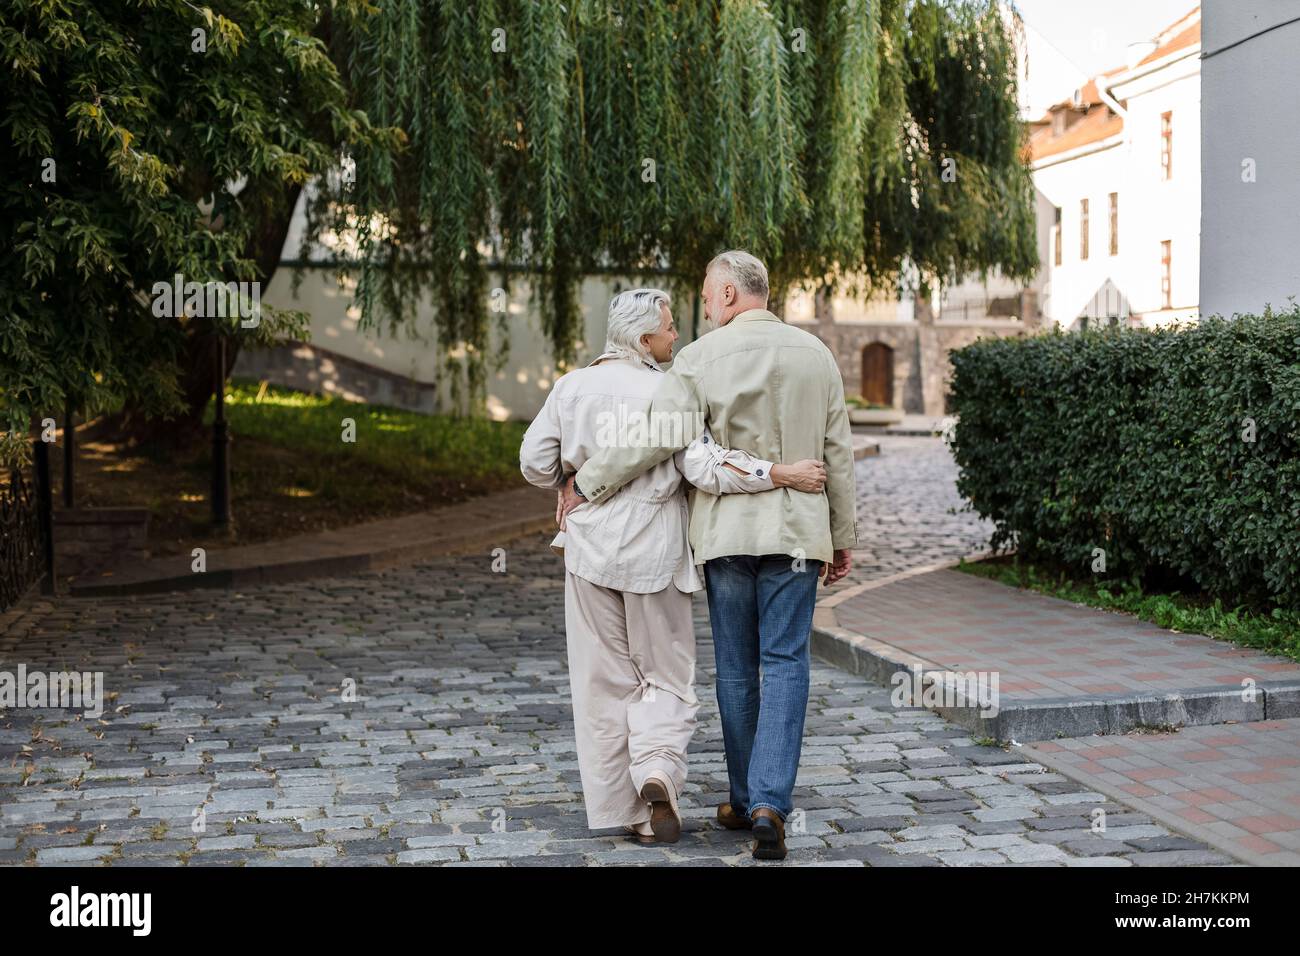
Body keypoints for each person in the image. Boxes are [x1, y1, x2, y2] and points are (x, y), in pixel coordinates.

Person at [561, 251, 858, 860]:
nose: (700, 303)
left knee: (736, 666)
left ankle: (748, 795)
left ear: (727, 295)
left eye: (704, 291)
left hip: (727, 540)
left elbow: (654, 439)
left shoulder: (698, 358)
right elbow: (838, 450)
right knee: (786, 662)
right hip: (799, 536)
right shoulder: (817, 354)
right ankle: (769, 803)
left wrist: (586, 483)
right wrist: (843, 533)